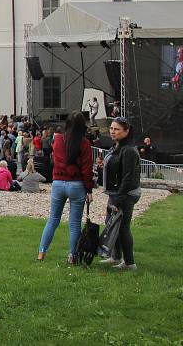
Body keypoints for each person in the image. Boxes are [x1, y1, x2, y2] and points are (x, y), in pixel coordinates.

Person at [37, 111, 93, 264]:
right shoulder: (84, 144)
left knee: (53, 219)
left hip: (58, 182)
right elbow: (87, 169)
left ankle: (42, 252)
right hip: (76, 184)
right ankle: (73, 256)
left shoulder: (58, 140)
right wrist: (89, 190)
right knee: (74, 223)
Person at [99, 117, 142, 271]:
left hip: (125, 194)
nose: (112, 131)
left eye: (117, 129)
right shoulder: (117, 146)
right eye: (111, 128)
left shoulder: (129, 150)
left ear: (126, 131)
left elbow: (128, 178)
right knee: (111, 224)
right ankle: (116, 256)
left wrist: (118, 201)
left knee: (123, 227)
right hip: (116, 192)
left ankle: (129, 263)